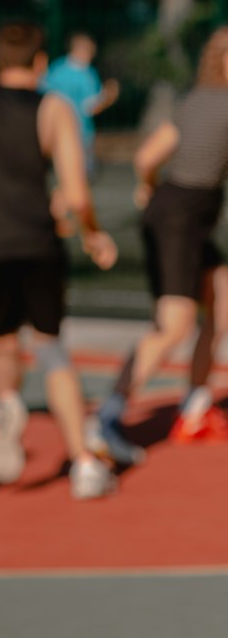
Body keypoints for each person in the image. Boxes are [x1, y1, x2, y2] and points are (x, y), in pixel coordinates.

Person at [0, 21, 118, 500]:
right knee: (51, 347)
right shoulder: (54, 108)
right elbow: (76, 191)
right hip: (36, 241)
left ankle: (6, 403)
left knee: (1, 339)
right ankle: (83, 464)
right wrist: (93, 233)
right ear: (41, 63)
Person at [90, 26, 228, 462]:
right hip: (182, 218)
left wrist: (149, 189)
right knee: (175, 326)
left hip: (177, 211)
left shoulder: (194, 101)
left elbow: (147, 157)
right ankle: (105, 420)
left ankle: (195, 409)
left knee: (221, 297)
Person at [40, 32, 120, 172]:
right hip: (81, 132)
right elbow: (91, 107)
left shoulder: (57, 68)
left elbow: (42, 92)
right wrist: (109, 96)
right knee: (80, 174)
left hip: (55, 130)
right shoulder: (88, 75)